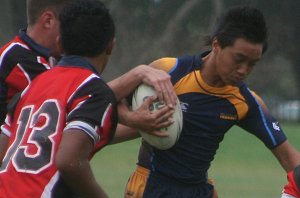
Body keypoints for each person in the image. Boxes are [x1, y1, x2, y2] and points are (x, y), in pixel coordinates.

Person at [0, 0, 176, 197]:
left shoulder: (34, 85)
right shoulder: (91, 90)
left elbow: (5, 149)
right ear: (111, 46)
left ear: (60, 43)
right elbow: (69, 161)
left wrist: (135, 122)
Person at [124, 6, 300, 198]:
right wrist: (130, 118)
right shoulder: (168, 72)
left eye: (252, 64)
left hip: (200, 190)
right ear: (216, 45)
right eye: (239, 59)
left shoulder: (246, 101)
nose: (243, 70)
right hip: (151, 186)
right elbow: (108, 100)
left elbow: (288, 155)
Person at [0, 0, 76, 161]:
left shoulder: (50, 58)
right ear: (48, 20)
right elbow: (78, 102)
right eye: (70, 24)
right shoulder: (19, 60)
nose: (74, 32)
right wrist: (135, 75)